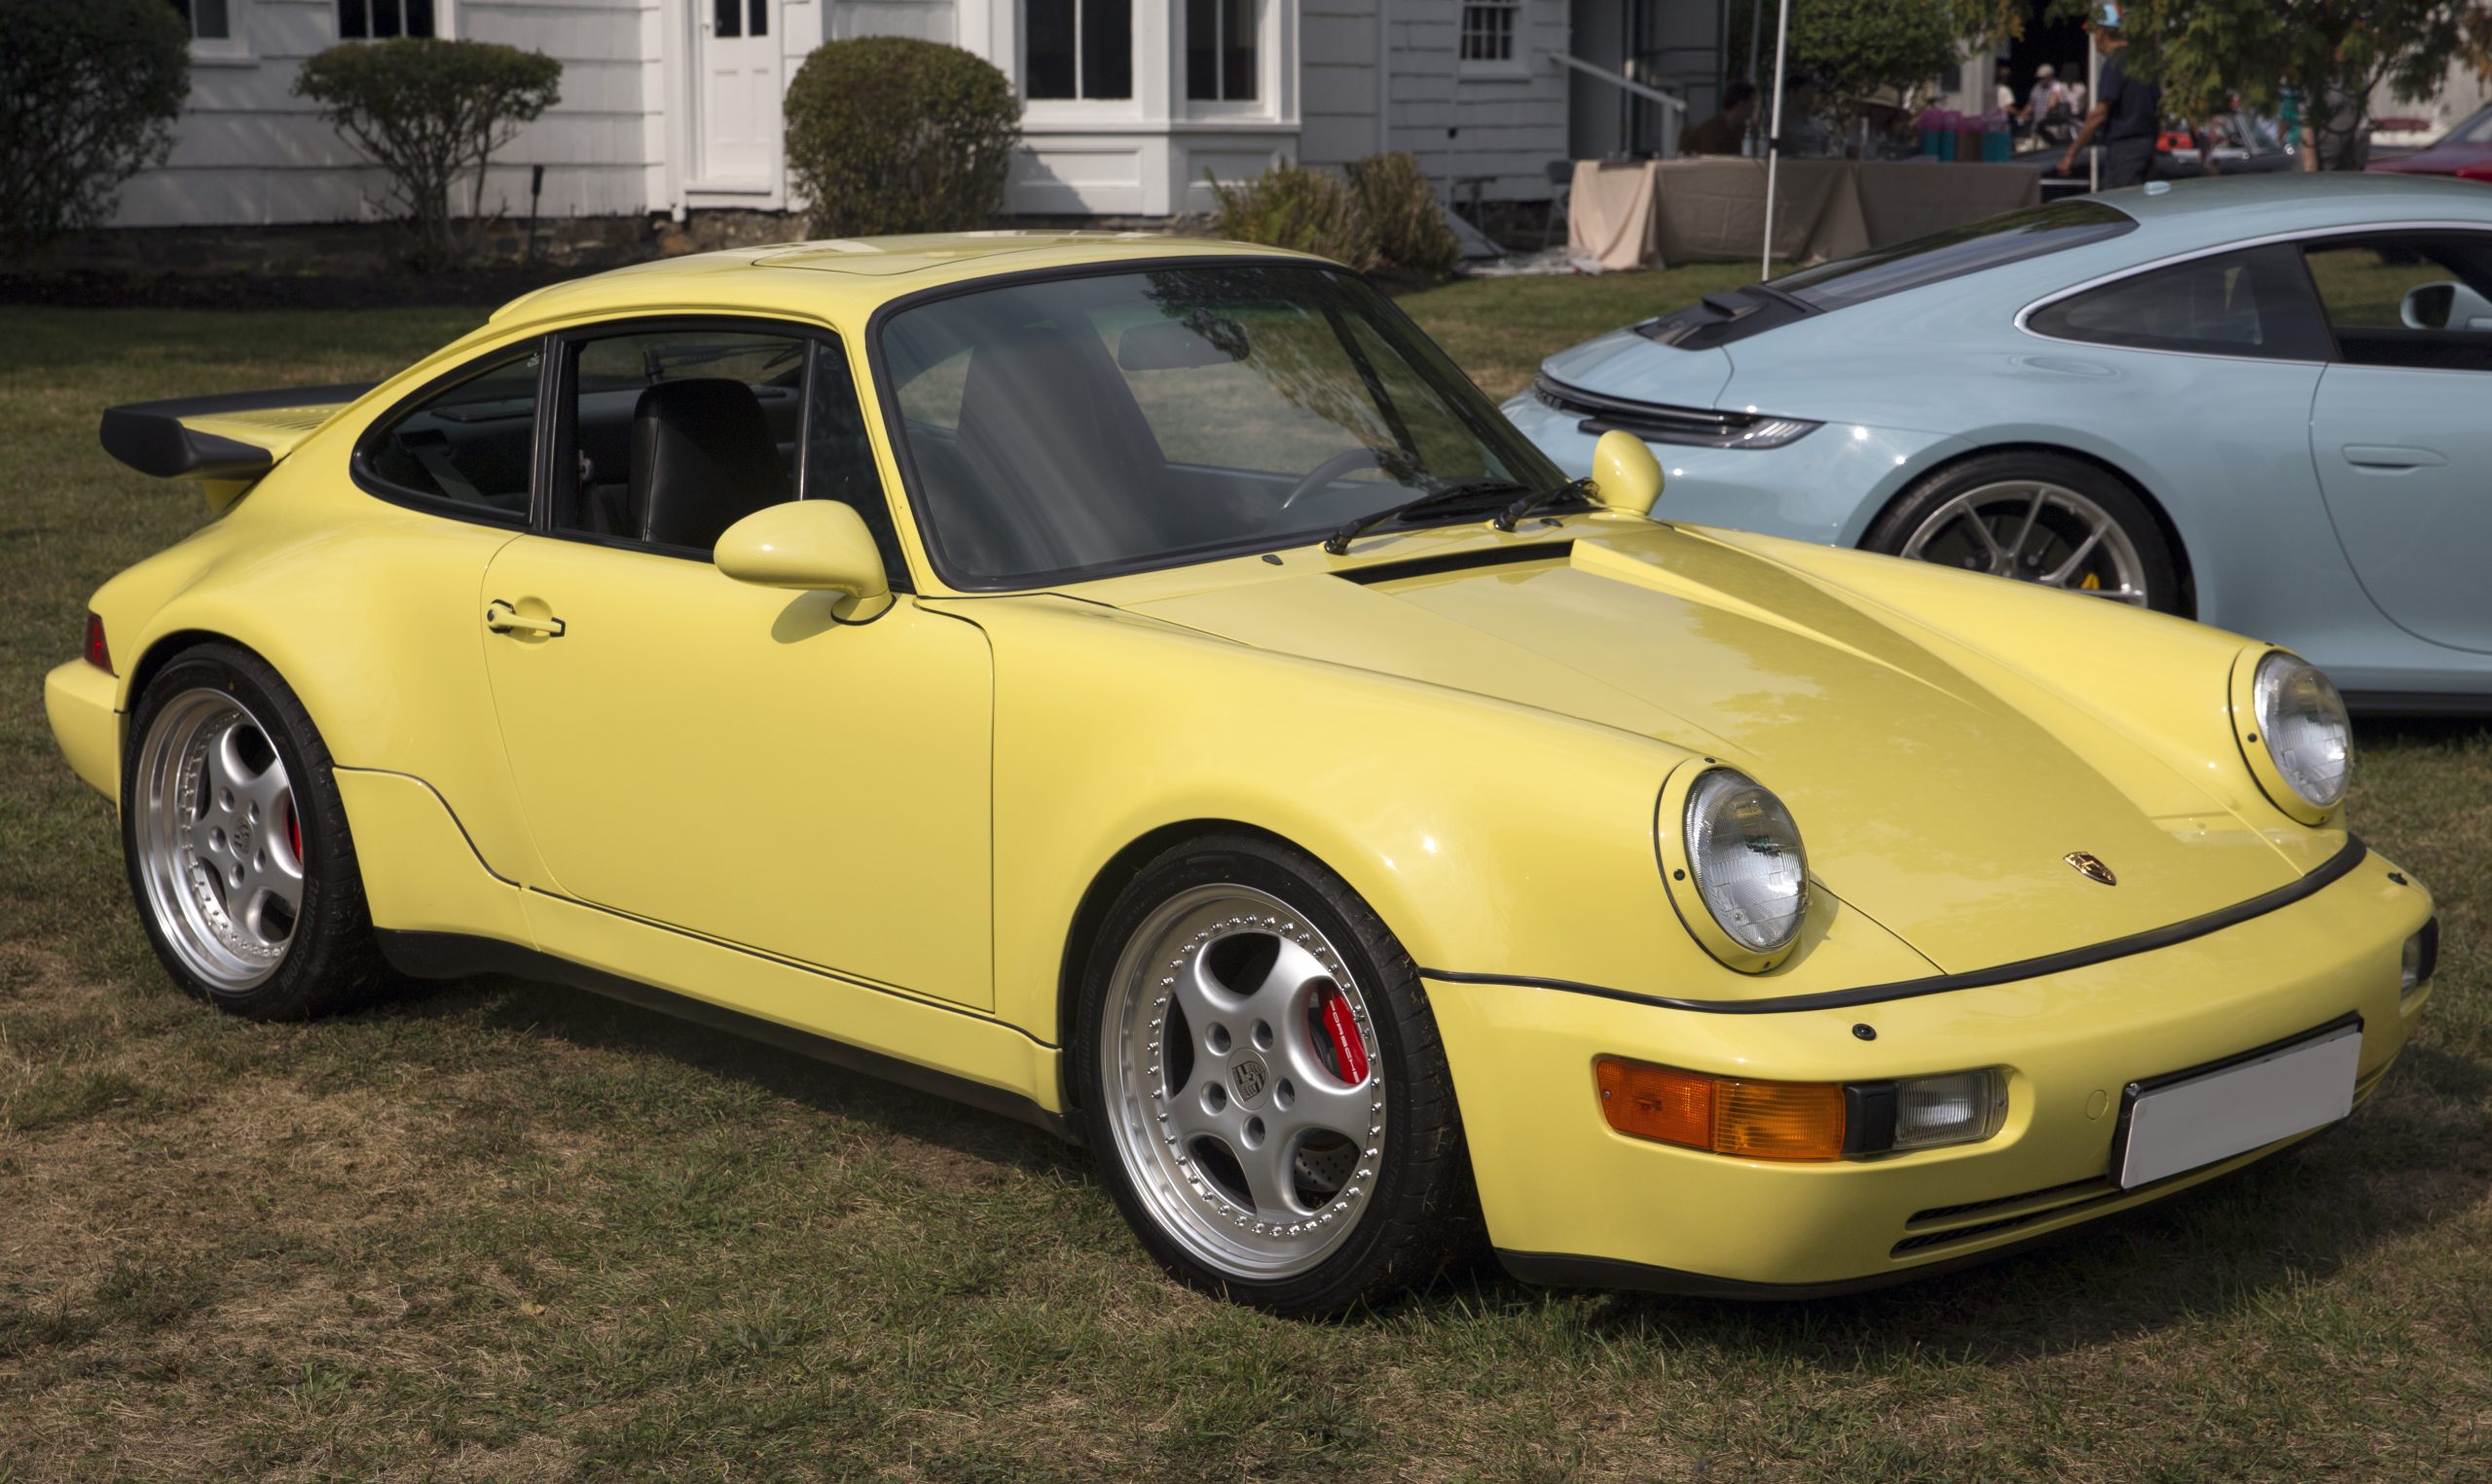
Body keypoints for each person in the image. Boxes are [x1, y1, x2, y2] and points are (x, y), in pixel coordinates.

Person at [2059, 3, 2160, 188]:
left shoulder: (2115, 63)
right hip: (2145, 147)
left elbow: (2099, 114)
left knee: (2121, 207)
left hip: (2125, 150)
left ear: (2101, 32)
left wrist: (2071, 154)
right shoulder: (2142, 62)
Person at [1681, 80, 1757, 157]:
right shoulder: (1710, 131)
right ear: (1742, 104)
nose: (1754, 107)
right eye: (1751, 102)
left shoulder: (1743, 131)